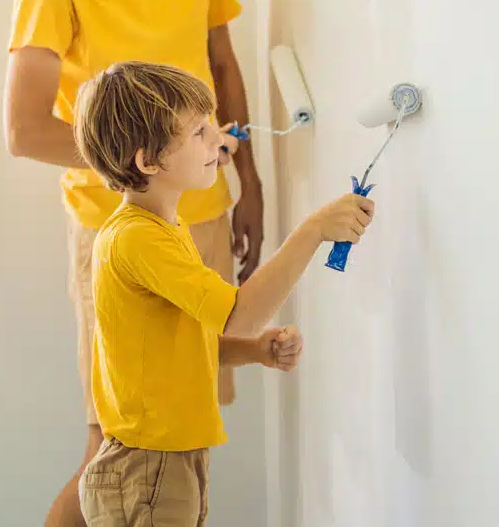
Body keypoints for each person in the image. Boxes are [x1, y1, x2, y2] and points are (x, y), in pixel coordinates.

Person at [4, 0, 264, 527]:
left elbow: (222, 64)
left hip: (205, 216)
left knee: (183, 431)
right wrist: (139, 165)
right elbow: (25, 131)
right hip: (116, 235)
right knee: (116, 443)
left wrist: (250, 184)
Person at [73, 61, 375, 526]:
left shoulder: (160, 229)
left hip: (167, 463)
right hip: (147, 470)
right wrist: (313, 230)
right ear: (148, 162)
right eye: (199, 132)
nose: (217, 139)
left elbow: (172, 345)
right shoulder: (137, 239)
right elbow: (239, 313)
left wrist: (253, 351)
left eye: (212, 126)